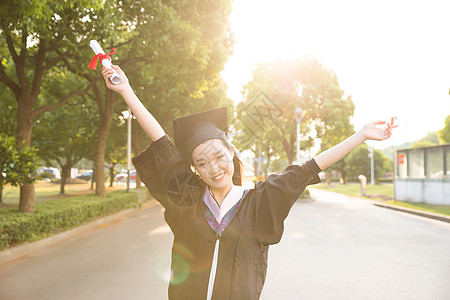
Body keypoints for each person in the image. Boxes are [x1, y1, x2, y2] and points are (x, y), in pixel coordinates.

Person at [102, 65, 397, 300]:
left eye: (218, 157)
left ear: (231, 152)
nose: (213, 168)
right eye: (201, 163)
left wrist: (360, 135)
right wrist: (126, 90)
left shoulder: (259, 201)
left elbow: (309, 168)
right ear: (194, 169)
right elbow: (162, 142)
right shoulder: (187, 199)